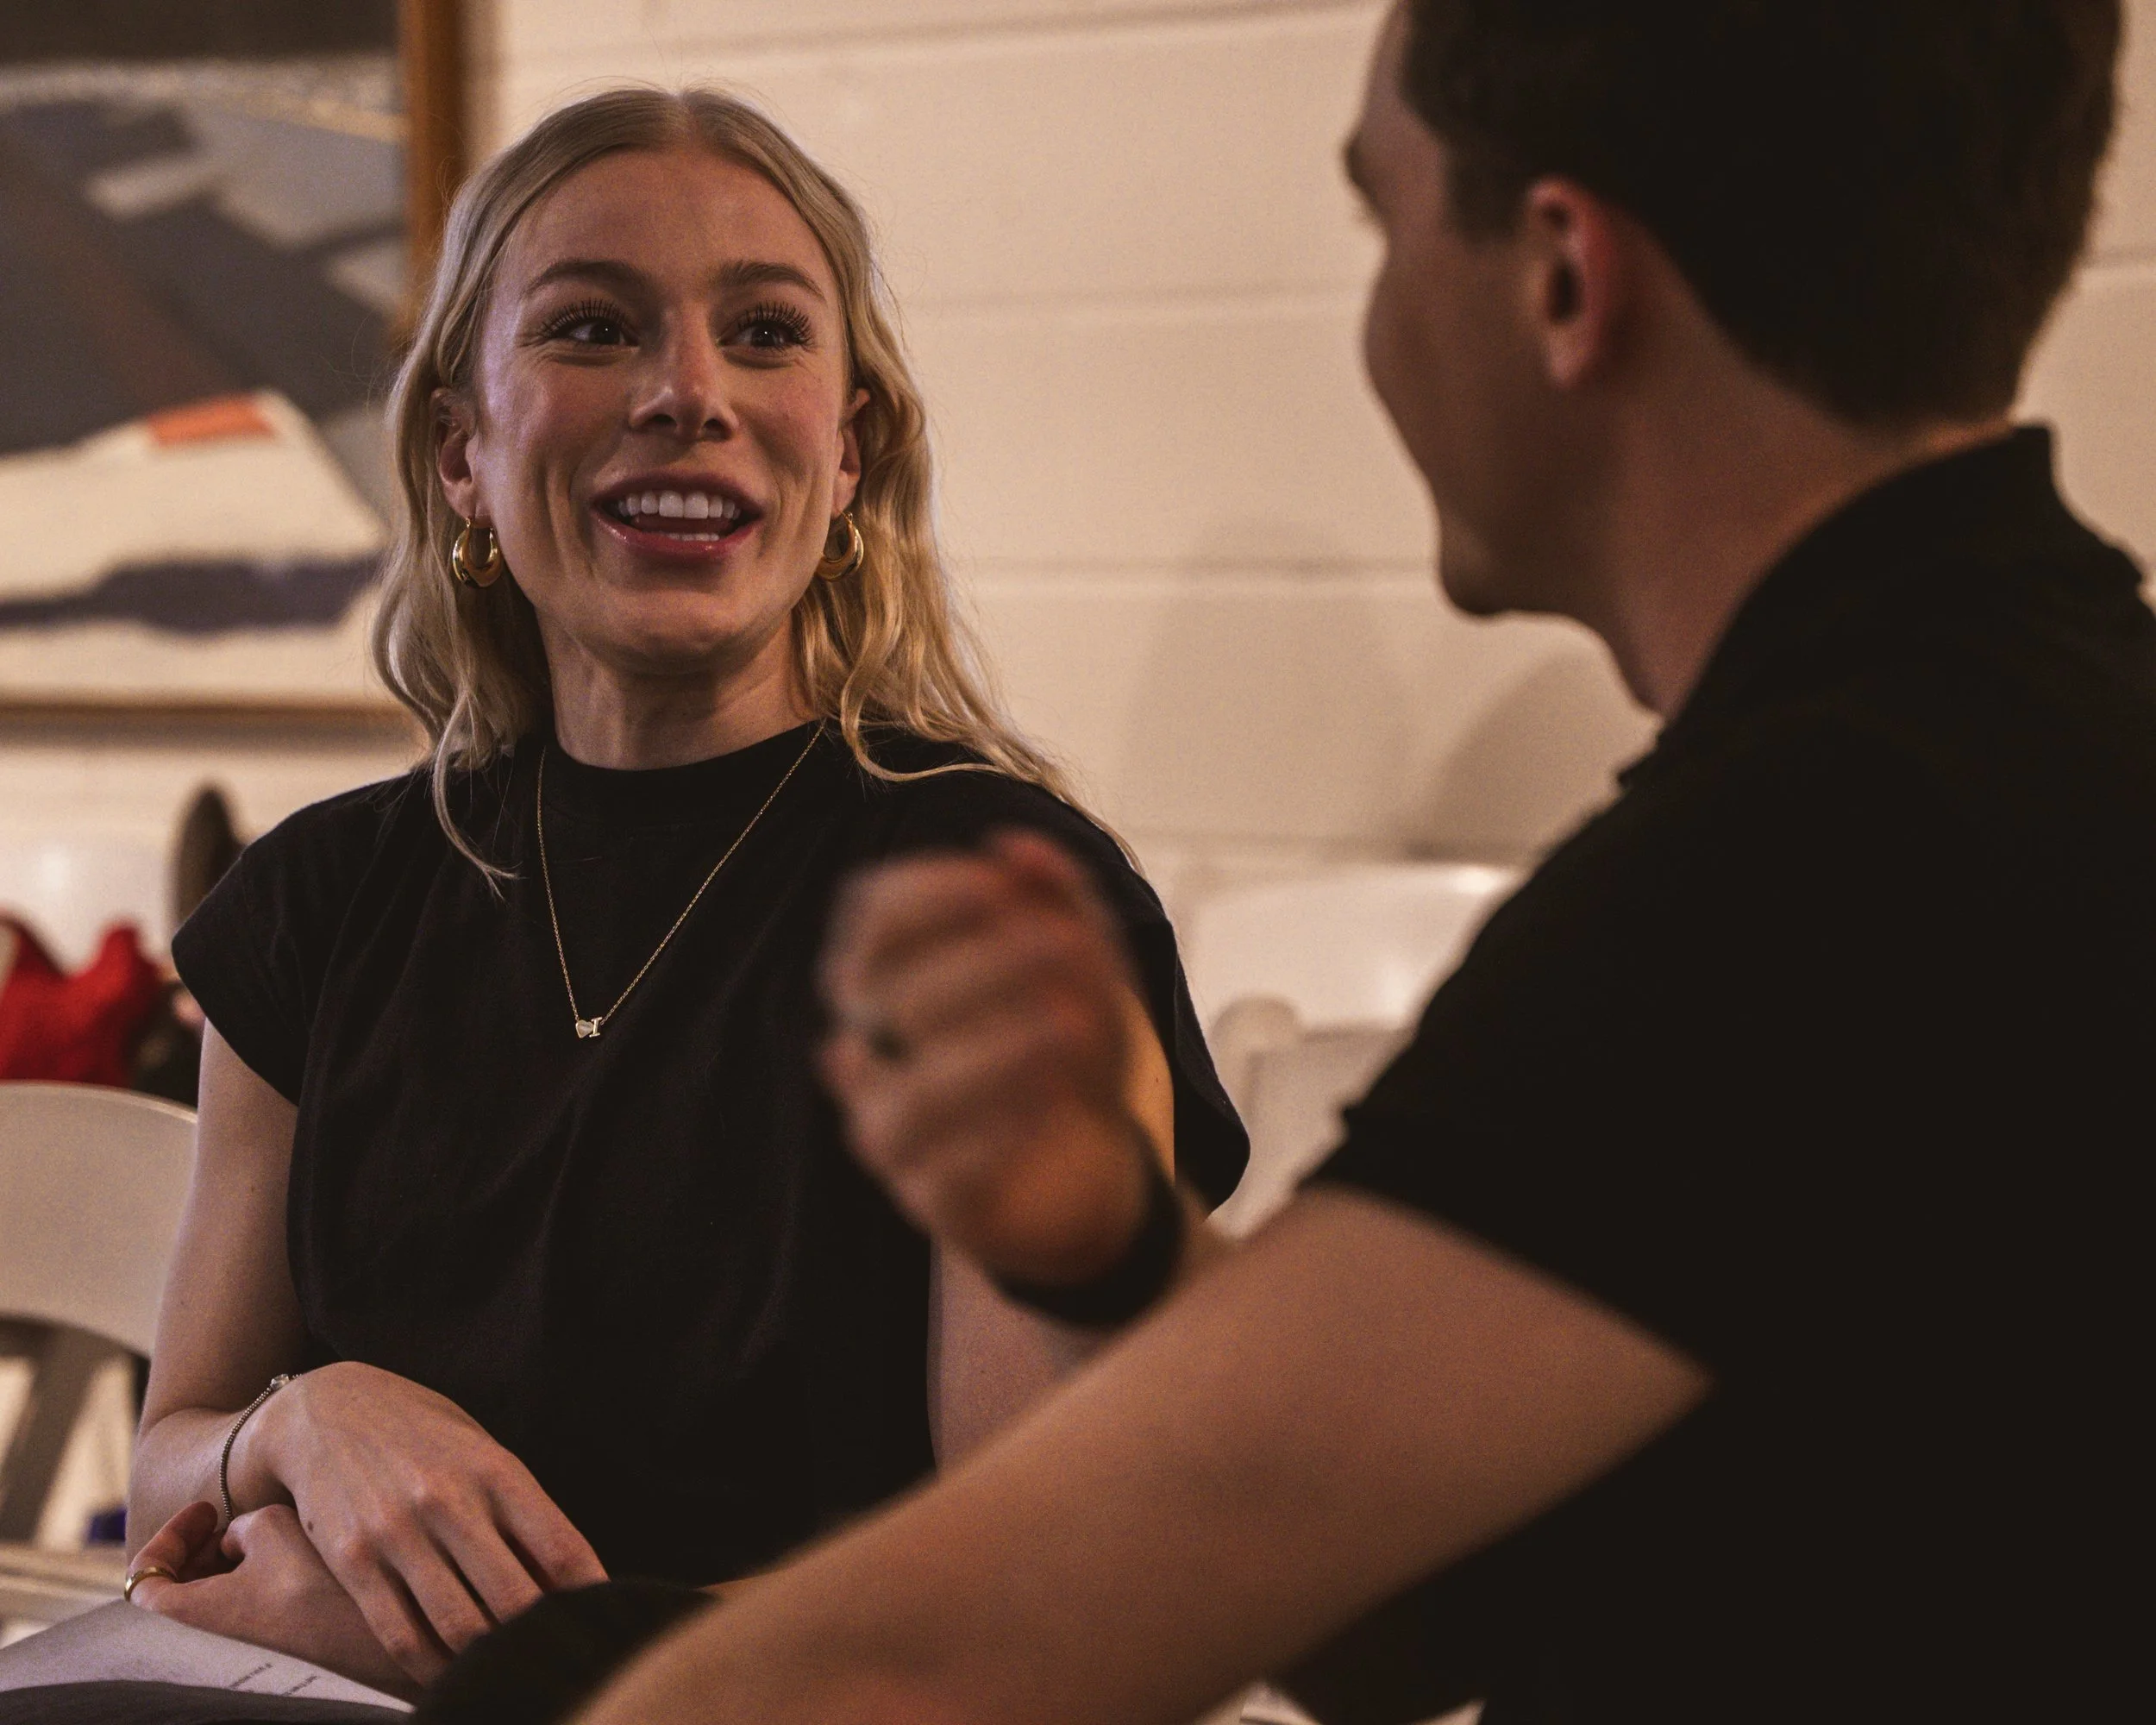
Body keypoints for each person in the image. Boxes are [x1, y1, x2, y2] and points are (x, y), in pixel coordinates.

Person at [545, 3, 2148, 1722]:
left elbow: (930, 1664)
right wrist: (1115, 1255)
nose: (1377, 326)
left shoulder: (1815, 860)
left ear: (1558, 282)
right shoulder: (2024, 727)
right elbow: (1411, 1620)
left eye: (1383, 229)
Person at [95, 86, 1244, 1701]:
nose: (686, 393)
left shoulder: (993, 902)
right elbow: (166, 1468)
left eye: (766, 332)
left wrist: (483, 1654)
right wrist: (302, 1419)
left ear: (849, 455)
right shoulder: (321, 902)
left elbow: (1024, 1590)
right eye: (591, 328)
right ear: (462, 453)